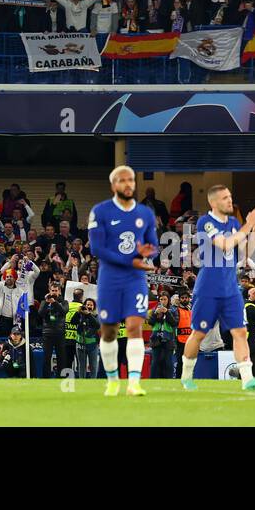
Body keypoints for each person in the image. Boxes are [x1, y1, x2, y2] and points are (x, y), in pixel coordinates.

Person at [182, 185, 255, 391]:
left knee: (240, 332)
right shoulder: (205, 221)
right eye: (224, 198)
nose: (230, 201)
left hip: (230, 287)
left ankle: (248, 379)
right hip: (208, 287)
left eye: (230, 196)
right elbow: (224, 244)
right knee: (199, 333)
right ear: (213, 202)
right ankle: (186, 376)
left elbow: (245, 251)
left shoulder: (232, 222)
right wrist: (248, 224)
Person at [88, 164, 158, 396]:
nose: (128, 184)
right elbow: (97, 248)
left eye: (131, 180)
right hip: (110, 279)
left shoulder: (145, 213)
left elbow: (154, 245)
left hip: (135, 279)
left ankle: (134, 382)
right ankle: (112, 380)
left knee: (134, 326)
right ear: (113, 185)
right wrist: (131, 261)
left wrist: (149, 252)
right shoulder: (100, 211)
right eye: (122, 180)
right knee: (109, 331)